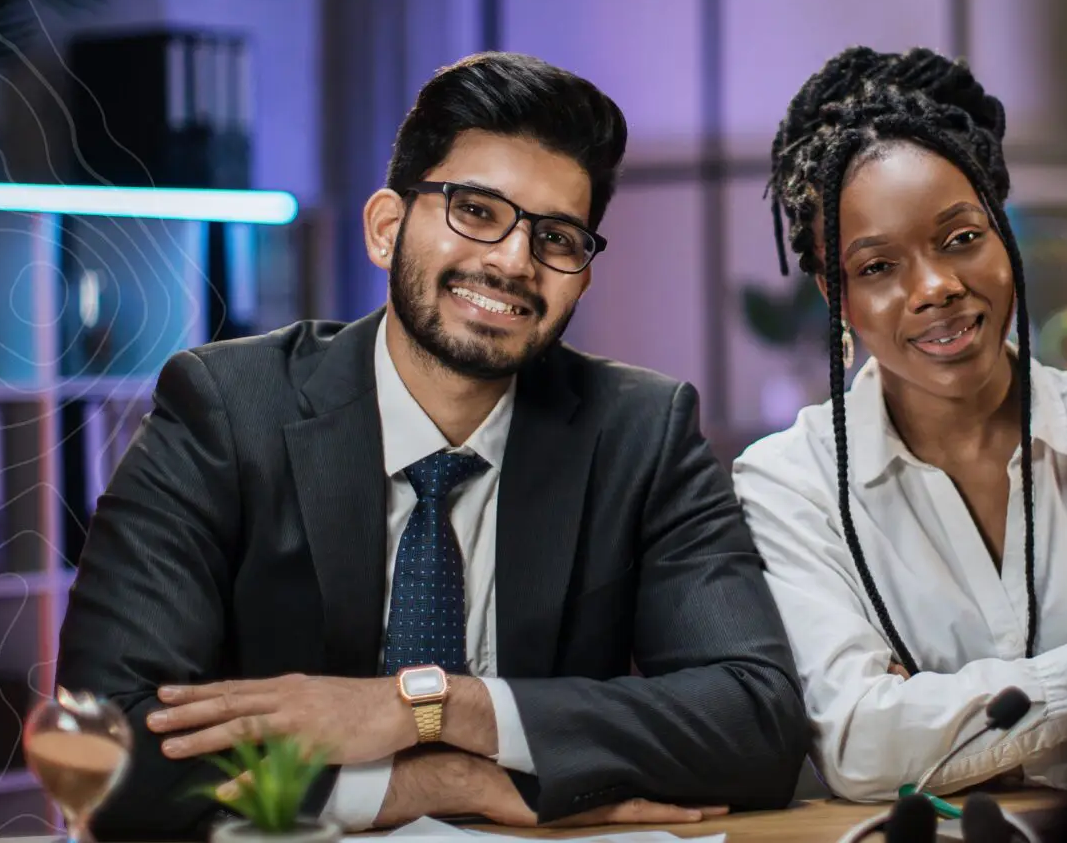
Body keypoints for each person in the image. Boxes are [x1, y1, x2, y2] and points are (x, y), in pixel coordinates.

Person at [57, 52, 808, 840]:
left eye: (556, 237)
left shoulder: (639, 432)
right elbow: (99, 752)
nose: (513, 260)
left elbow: (755, 722)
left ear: (580, 279)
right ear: (387, 229)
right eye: (476, 211)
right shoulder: (226, 410)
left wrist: (436, 707)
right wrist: (434, 779)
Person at [730, 46, 1067, 803]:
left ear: (1003, 235)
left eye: (961, 239)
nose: (936, 288)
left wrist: (938, 719)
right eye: (879, 267)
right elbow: (858, 745)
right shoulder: (793, 482)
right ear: (836, 294)